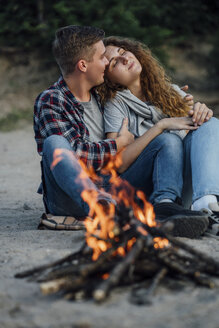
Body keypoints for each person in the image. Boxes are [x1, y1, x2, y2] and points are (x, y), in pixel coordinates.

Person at [34, 25, 209, 238]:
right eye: (102, 58)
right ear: (82, 65)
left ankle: (164, 208)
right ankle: (100, 208)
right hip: (70, 199)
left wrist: (173, 102)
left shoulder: (103, 96)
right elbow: (77, 155)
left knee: (166, 141)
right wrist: (117, 144)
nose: (107, 63)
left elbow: (139, 111)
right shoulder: (52, 100)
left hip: (113, 189)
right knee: (54, 143)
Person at [96, 36, 219, 233]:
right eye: (113, 63)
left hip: (181, 187)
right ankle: (164, 206)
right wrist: (160, 126)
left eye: (122, 52)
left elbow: (194, 135)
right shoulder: (115, 103)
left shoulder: (171, 92)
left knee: (210, 123)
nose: (124, 58)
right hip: (143, 188)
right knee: (167, 139)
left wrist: (201, 113)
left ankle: (206, 205)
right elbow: (117, 163)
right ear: (109, 80)